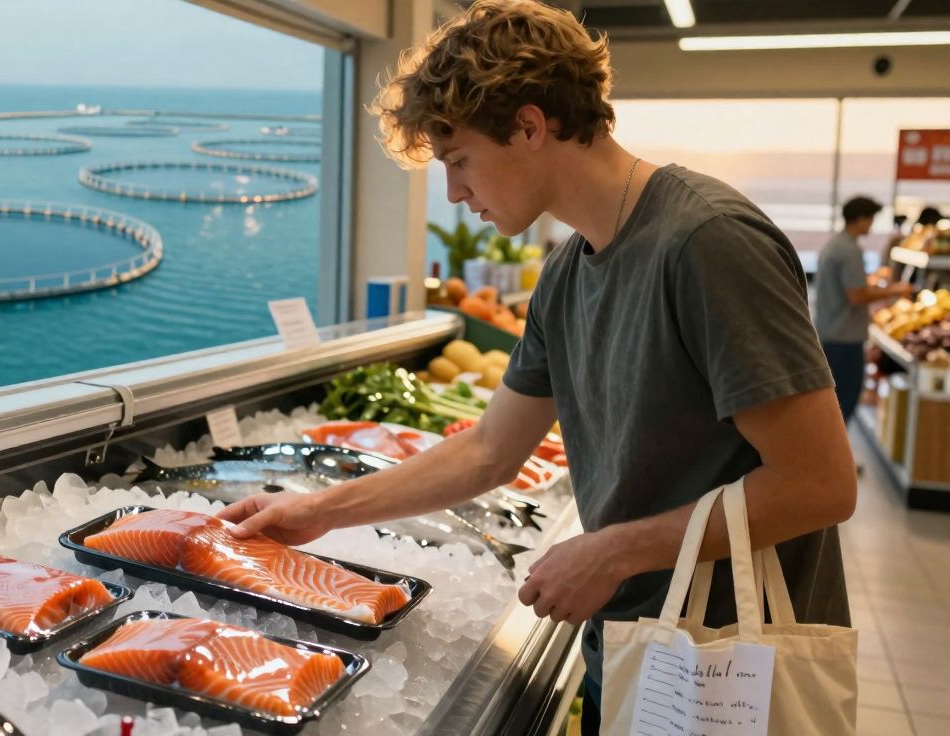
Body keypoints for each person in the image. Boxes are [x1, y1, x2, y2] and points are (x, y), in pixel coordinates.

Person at [217, 2, 856, 734]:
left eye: (458, 161)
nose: (454, 193)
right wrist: (317, 512)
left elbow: (820, 484)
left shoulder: (708, 243)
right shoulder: (565, 273)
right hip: (632, 655)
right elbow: (490, 452)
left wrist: (612, 551)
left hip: (730, 669)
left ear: (528, 126)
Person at [815, 196, 912, 423]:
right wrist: (895, 290)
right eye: (871, 219)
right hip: (844, 337)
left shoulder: (834, 244)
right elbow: (857, 295)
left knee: (833, 400)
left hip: (831, 331)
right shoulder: (849, 250)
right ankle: (837, 447)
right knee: (844, 400)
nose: (872, 225)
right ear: (859, 219)